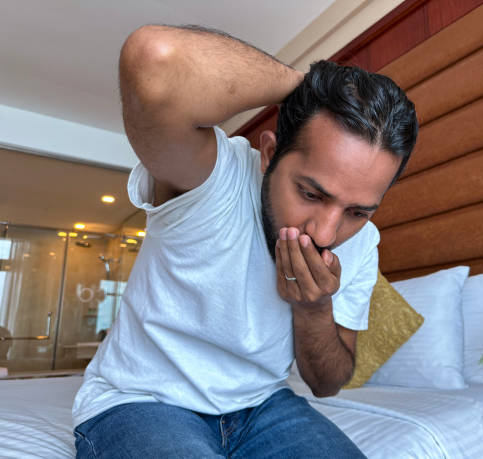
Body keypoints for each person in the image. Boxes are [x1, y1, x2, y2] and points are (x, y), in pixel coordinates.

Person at [72, 24, 417, 458]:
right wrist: (309, 86)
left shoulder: (364, 243)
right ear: (269, 155)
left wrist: (313, 309)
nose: (326, 234)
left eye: (358, 211)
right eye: (311, 193)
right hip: (143, 400)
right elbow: (153, 58)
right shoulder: (213, 182)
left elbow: (326, 384)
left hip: (263, 405)